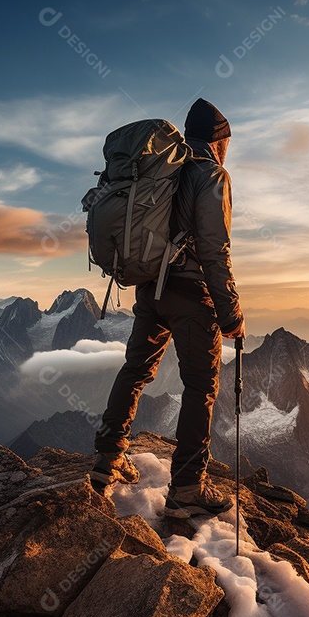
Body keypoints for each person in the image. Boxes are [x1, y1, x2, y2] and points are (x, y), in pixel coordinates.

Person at [90, 98, 244, 518]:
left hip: (151, 290)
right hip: (193, 295)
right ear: (219, 139)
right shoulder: (212, 175)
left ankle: (107, 460)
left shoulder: (166, 169)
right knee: (199, 388)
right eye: (227, 140)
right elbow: (215, 251)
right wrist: (230, 312)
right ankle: (188, 489)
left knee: (136, 369)